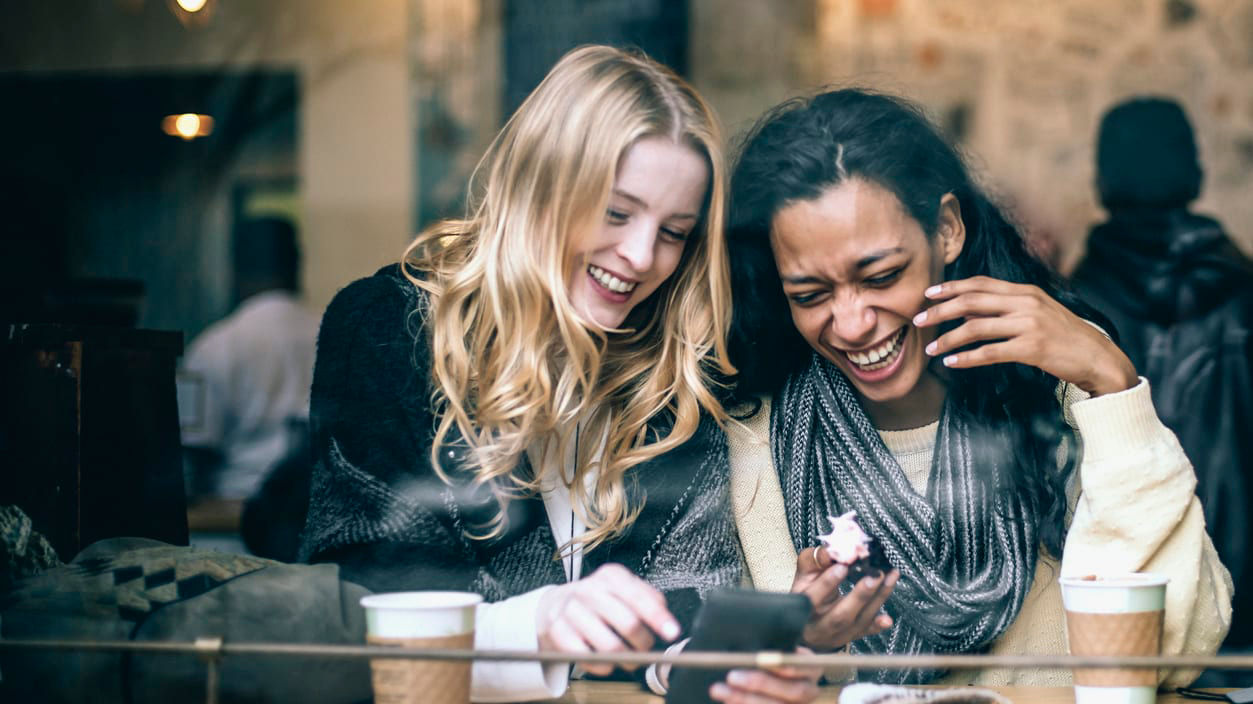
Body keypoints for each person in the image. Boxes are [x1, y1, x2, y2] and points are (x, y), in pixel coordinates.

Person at [299, 45, 820, 704]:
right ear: (543, 183)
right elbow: (370, 605)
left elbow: (686, 598)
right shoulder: (389, 328)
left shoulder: (672, 365)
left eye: (673, 232)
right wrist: (535, 627)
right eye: (615, 211)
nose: (639, 257)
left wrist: (703, 666)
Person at [723, 88, 1233, 687]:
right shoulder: (756, 437)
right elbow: (719, 678)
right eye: (810, 295)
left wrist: (1111, 384)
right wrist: (796, 642)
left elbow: (1180, 646)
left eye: (882, 275)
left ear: (946, 230)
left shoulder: (1058, 399)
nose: (853, 322)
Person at [1070, 97, 1253, 655]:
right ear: (1193, 171)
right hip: (1243, 583)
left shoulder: (1073, 308)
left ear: (1103, 180)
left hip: (1124, 585)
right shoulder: (1244, 294)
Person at [180, 216, 319, 531]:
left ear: (235, 269)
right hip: (315, 516)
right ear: (297, 264)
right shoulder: (335, 332)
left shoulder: (215, 346)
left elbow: (192, 451)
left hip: (232, 522)